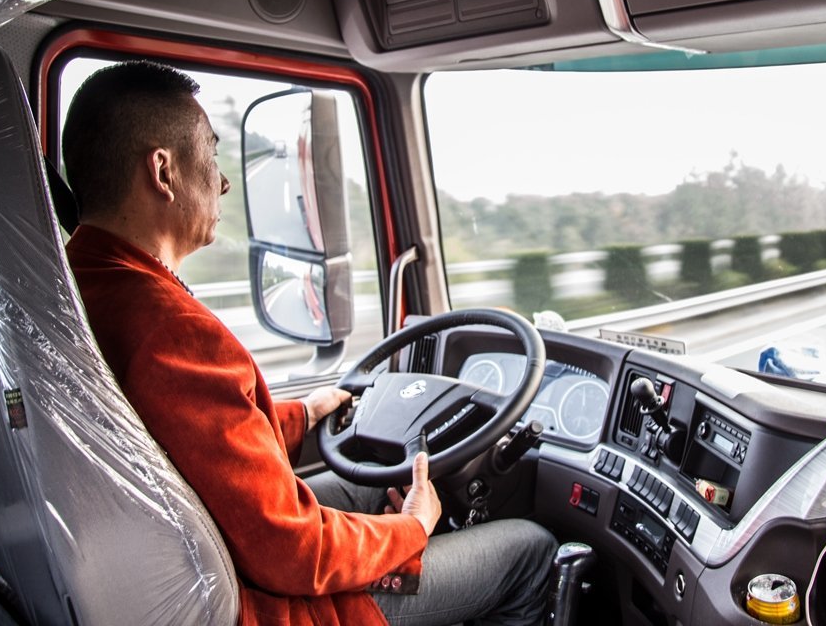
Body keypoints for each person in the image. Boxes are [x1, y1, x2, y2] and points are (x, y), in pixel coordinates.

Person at [62, 60, 556, 626]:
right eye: (212, 159)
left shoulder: (79, 285)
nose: (223, 183)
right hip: (267, 604)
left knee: (373, 488)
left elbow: (192, 435)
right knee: (530, 548)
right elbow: (292, 551)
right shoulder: (172, 330)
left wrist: (303, 415)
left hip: (203, 556)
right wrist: (412, 528)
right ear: (163, 171)